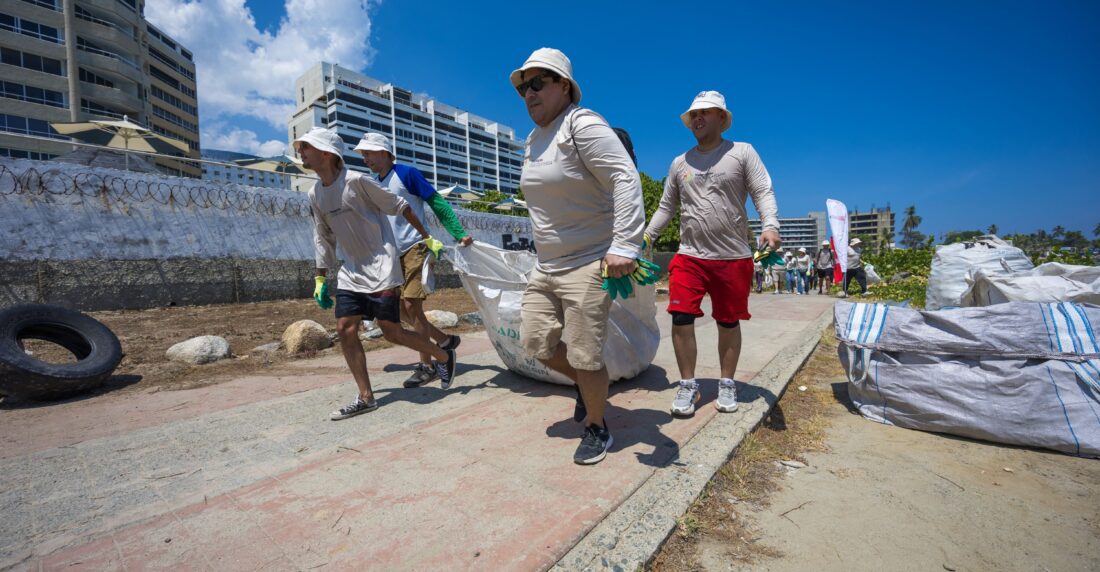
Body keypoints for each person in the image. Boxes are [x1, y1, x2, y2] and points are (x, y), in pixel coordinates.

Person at [511, 48, 647, 464]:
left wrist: (625, 245)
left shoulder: (581, 124)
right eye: (522, 86)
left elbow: (625, 177)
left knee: (585, 354)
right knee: (535, 342)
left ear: (564, 87)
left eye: (538, 83)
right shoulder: (533, 141)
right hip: (547, 265)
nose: (528, 93)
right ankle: (590, 390)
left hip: (589, 261)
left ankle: (596, 425)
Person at [297, 127, 456, 421]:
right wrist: (320, 276)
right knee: (345, 328)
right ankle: (365, 397)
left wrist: (427, 237)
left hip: (382, 265)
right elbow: (322, 236)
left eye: (305, 146)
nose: (300, 151)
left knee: (391, 330)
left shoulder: (357, 182)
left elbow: (401, 206)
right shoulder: (314, 193)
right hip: (351, 271)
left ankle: (444, 355)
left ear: (325, 152)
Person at [644, 90, 781, 417]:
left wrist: (771, 225)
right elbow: (667, 206)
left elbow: (763, 190)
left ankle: (727, 381)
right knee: (680, 316)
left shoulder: (742, 153)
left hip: (733, 256)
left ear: (722, 118)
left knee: (728, 321)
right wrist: (646, 236)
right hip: (690, 255)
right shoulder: (680, 163)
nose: (698, 118)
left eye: (706, 112)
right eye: (694, 114)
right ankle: (688, 384)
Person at [355, 132, 473, 388]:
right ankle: (444, 341)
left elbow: (436, 201)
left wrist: (458, 232)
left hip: (415, 247)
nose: (365, 158)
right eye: (362, 154)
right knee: (394, 310)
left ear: (385, 152)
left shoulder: (407, 174)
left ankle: (427, 365)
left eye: (368, 153)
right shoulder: (374, 182)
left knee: (411, 307)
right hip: (390, 254)